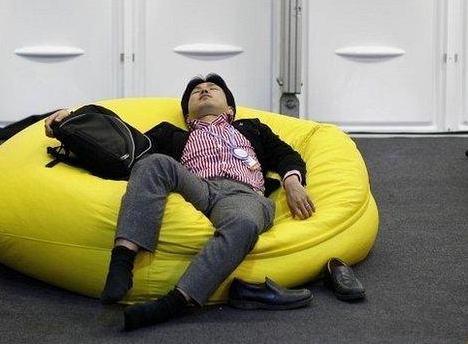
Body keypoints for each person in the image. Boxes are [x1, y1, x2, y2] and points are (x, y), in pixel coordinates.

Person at [44, 73, 316, 330]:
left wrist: (292, 182)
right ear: (187, 114)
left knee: (245, 224)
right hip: (196, 187)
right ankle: (122, 262)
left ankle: (175, 302)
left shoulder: (253, 128)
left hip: (242, 194)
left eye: (212, 88)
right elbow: (120, 151)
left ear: (230, 109)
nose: (204, 90)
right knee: (153, 162)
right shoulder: (169, 134)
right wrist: (70, 125)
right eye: (197, 91)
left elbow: (286, 154)